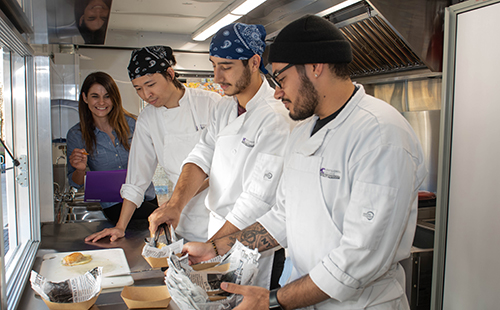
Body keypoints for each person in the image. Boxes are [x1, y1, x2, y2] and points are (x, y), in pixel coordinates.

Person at [182, 15, 427, 310]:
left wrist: (272, 300)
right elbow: (281, 218)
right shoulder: (302, 132)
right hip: (301, 296)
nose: (276, 92)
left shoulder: (381, 134)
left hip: (358, 304)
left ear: (315, 66)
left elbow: (361, 255)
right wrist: (215, 248)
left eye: (281, 79)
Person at [148, 23, 294, 290]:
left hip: (250, 242)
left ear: (254, 62)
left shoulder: (275, 118)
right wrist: (175, 206)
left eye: (225, 66)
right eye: (213, 65)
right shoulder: (225, 108)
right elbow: (201, 156)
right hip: (219, 232)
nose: (216, 76)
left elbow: (257, 200)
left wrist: (212, 249)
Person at [85, 46, 221, 243]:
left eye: (150, 84)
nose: (146, 94)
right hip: (183, 221)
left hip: (220, 216)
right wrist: (120, 227)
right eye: (138, 88)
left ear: (170, 74)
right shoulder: (148, 118)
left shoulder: (211, 104)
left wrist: (175, 202)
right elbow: (136, 179)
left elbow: (225, 169)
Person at [67, 71, 158, 226]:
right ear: (85, 98)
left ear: (114, 98)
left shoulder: (134, 124)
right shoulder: (77, 135)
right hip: (115, 205)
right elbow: (75, 182)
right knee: (160, 219)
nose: (102, 102)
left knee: (150, 243)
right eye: (95, 96)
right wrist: (80, 169)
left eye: (107, 96)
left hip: (146, 196)